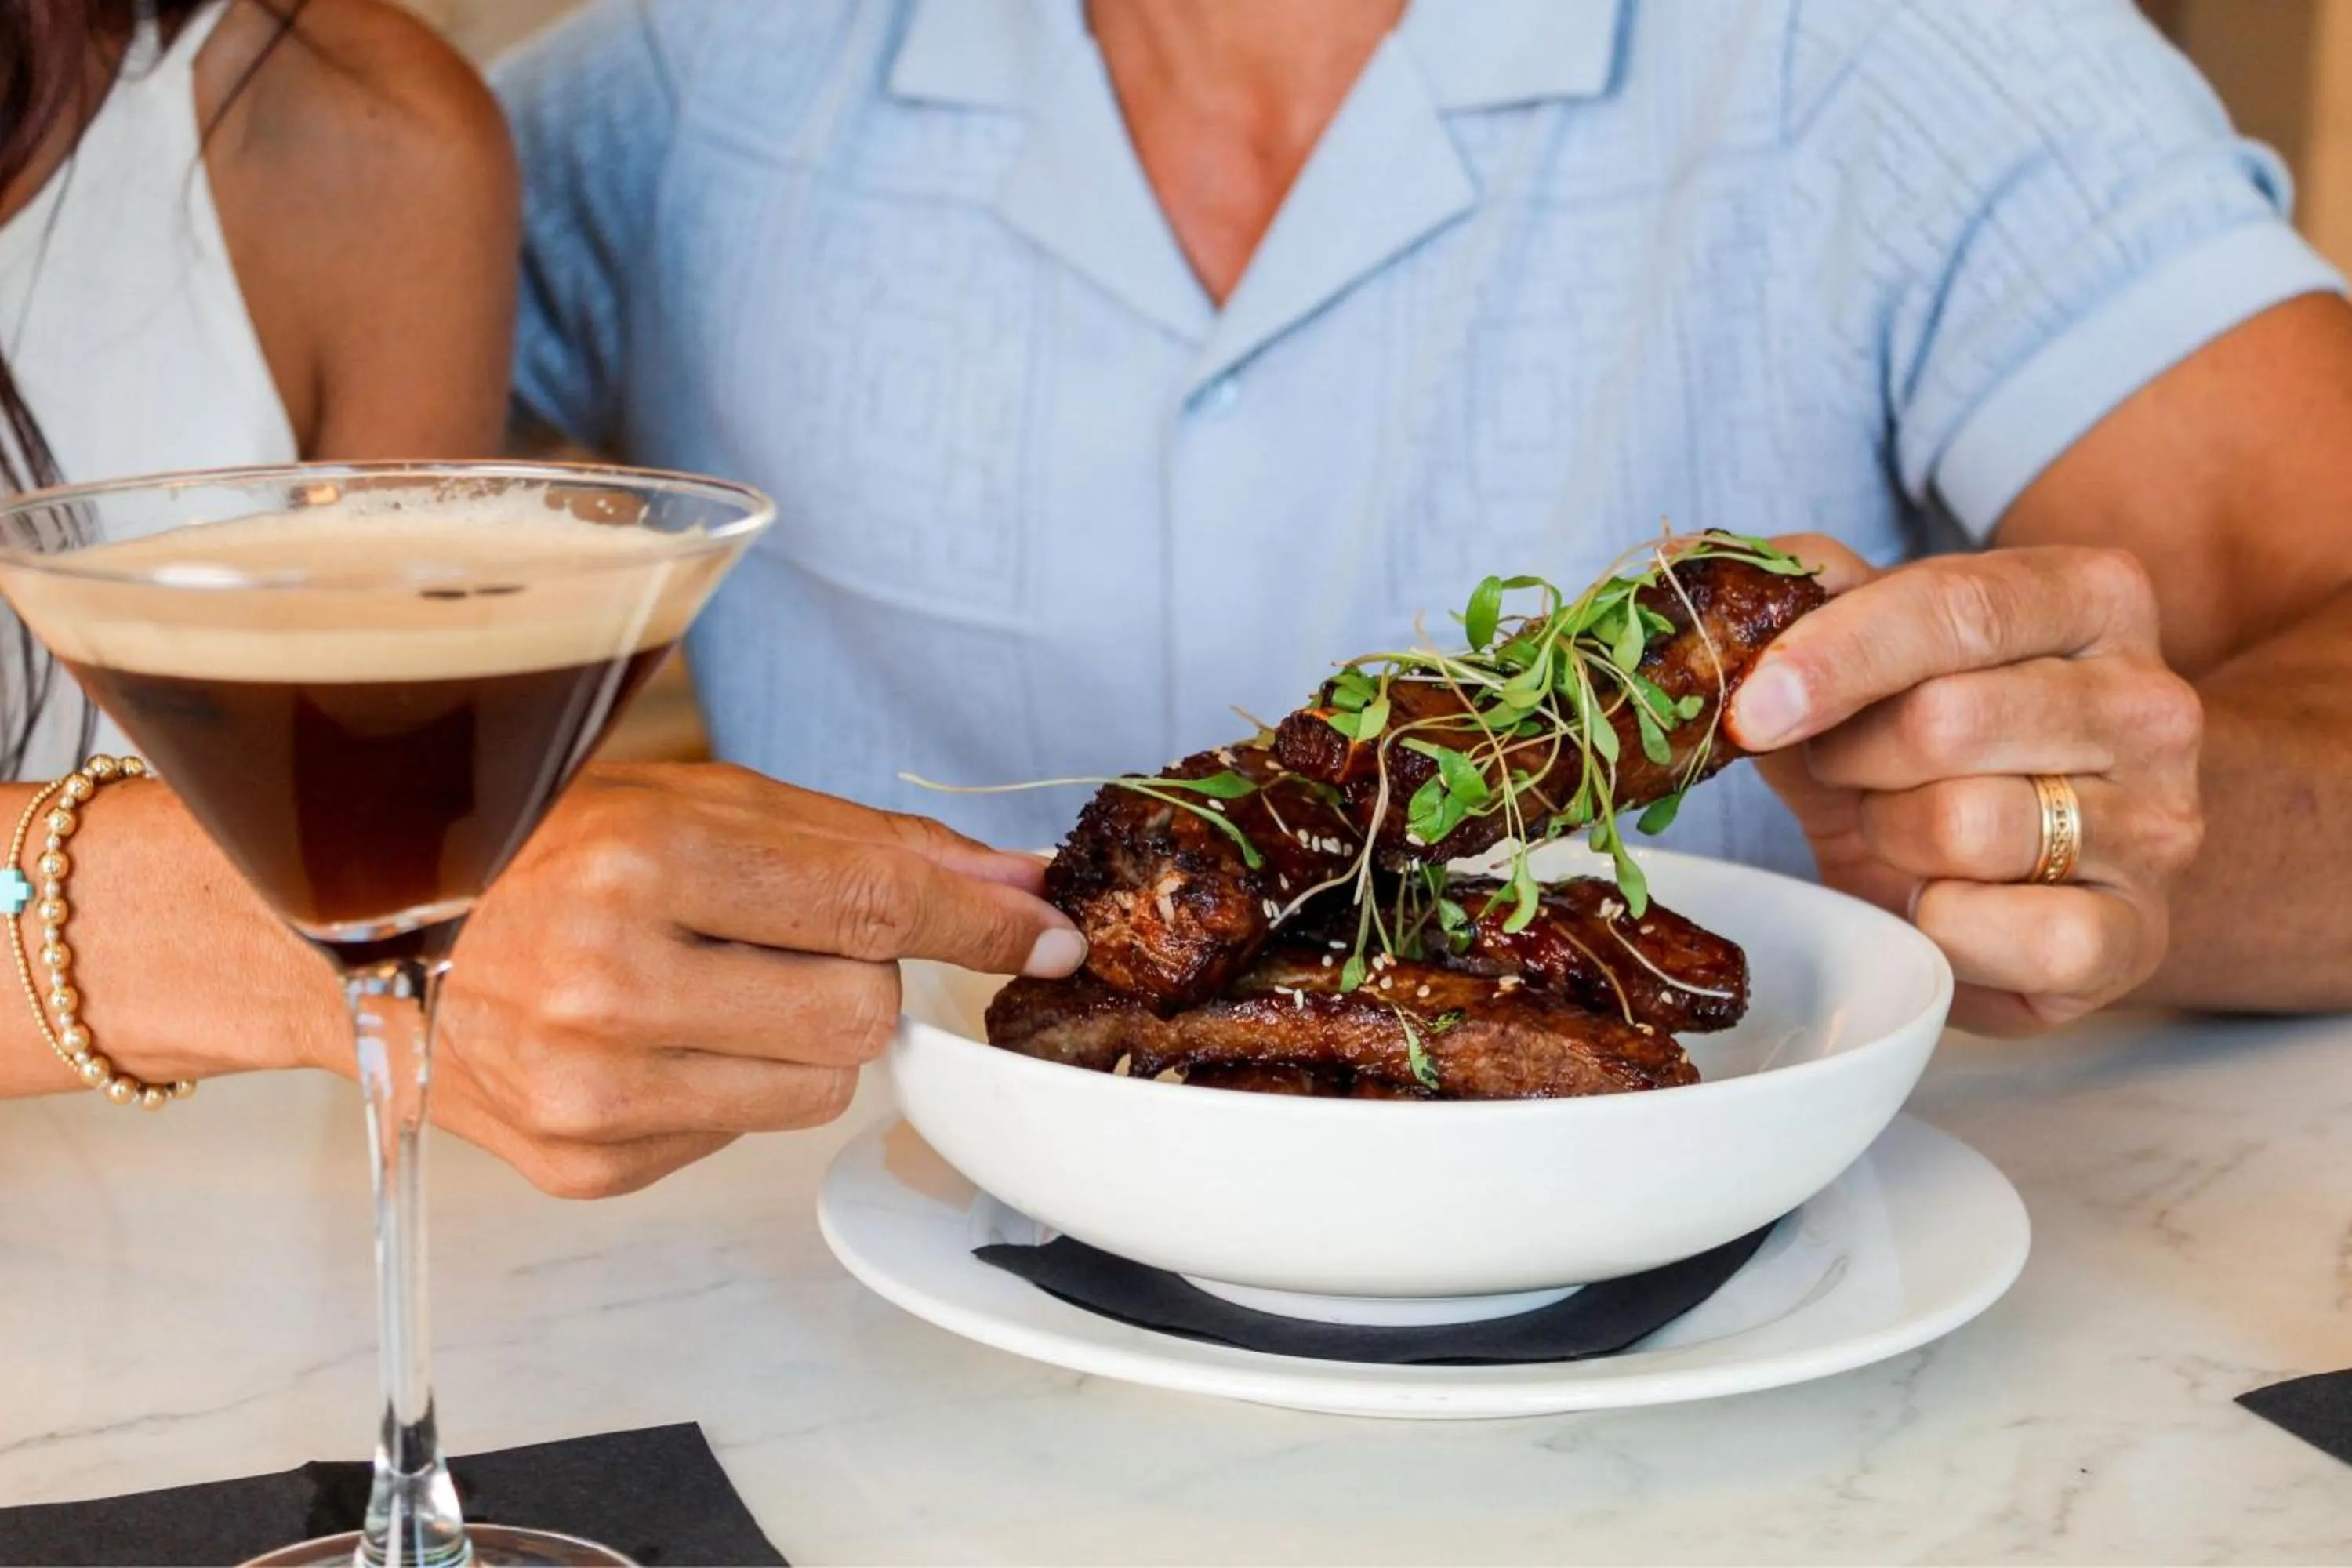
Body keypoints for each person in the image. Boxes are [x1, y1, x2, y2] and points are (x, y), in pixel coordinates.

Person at [489, 0, 2352, 1084]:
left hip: (1737, 1365)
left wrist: (2126, 841)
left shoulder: (1912, 48)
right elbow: (249, 605)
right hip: (826, 1326)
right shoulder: (684, 73)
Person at [0, 0, 1085, 1198]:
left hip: (251, 1289)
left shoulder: (353, 139)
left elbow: (385, 818)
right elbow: (376, 896)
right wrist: (271, 940)